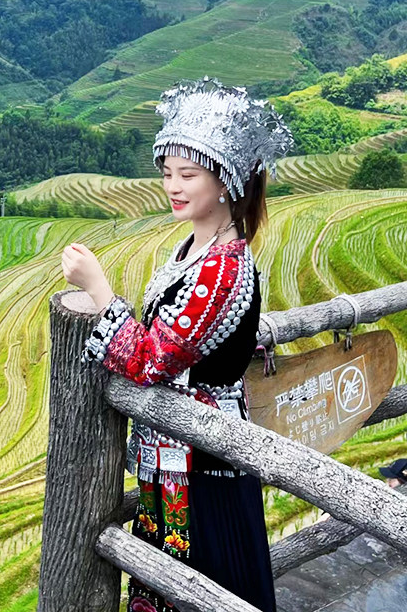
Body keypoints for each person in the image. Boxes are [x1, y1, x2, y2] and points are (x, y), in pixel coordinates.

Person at [61, 77, 293, 612]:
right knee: (171, 568)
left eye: (189, 174)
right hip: (175, 449)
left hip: (201, 456)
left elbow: (152, 359)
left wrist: (99, 291)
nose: (174, 186)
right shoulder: (194, 247)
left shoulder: (224, 266)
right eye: (168, 173)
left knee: (204, 576)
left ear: (227, 179)